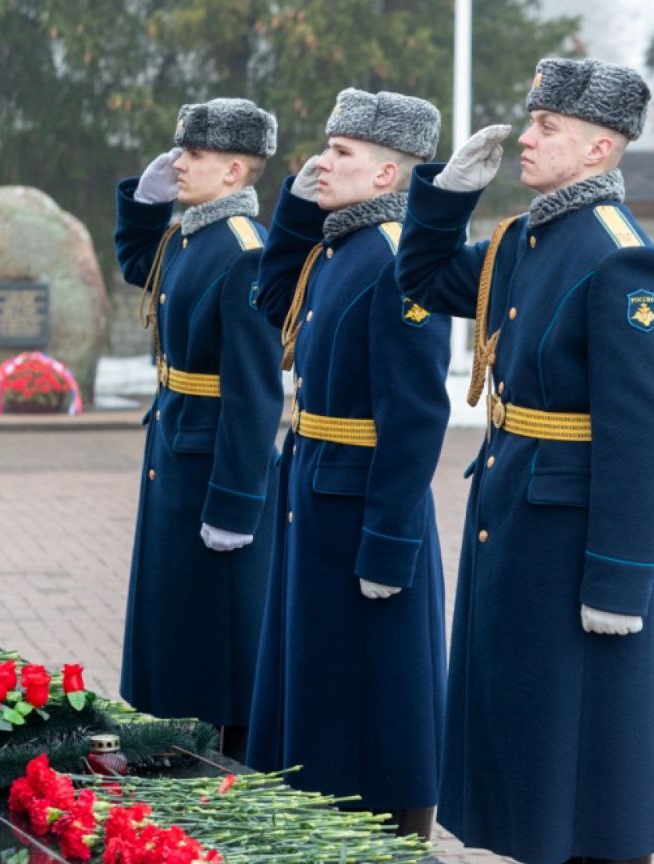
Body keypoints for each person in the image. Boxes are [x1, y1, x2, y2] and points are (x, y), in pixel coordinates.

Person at [395, 58, 654, 863]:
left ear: (599, 150)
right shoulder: (528, 237)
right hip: (514, 509)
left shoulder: (621, 257)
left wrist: (620, 580)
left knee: (581, 760)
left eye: (548, 127)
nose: (526, 136)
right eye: (534, 120)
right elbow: (419, 276)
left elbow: (643, 434)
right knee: (529, 742)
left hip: (569, 538)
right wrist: (445, 195)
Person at [246, 88, 450, 840]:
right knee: (319, 686)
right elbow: (272, 303)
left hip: (364, 505)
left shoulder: (394, 260)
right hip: (315, 487)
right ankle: (318, 826)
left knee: (379, 697)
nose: (321, 161)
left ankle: (391, 836)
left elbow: (417, 418)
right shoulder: (337, 246)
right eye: (326, 147)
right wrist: (295, 211)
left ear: (388, 176)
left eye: (341, 154)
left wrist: (390, 544)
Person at [113, 98, 283, 761]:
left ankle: (231, 754)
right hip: (176, 443)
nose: (180, 163)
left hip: (213, 460)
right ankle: (181, 738)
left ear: (235, 171)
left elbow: (254, 393)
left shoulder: (244, 253)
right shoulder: (191, 235)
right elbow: (140, 268)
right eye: (180, 152)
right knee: (177, 610)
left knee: (222, 625)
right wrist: (146, 203)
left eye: (195, 156)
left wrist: (237, 503)